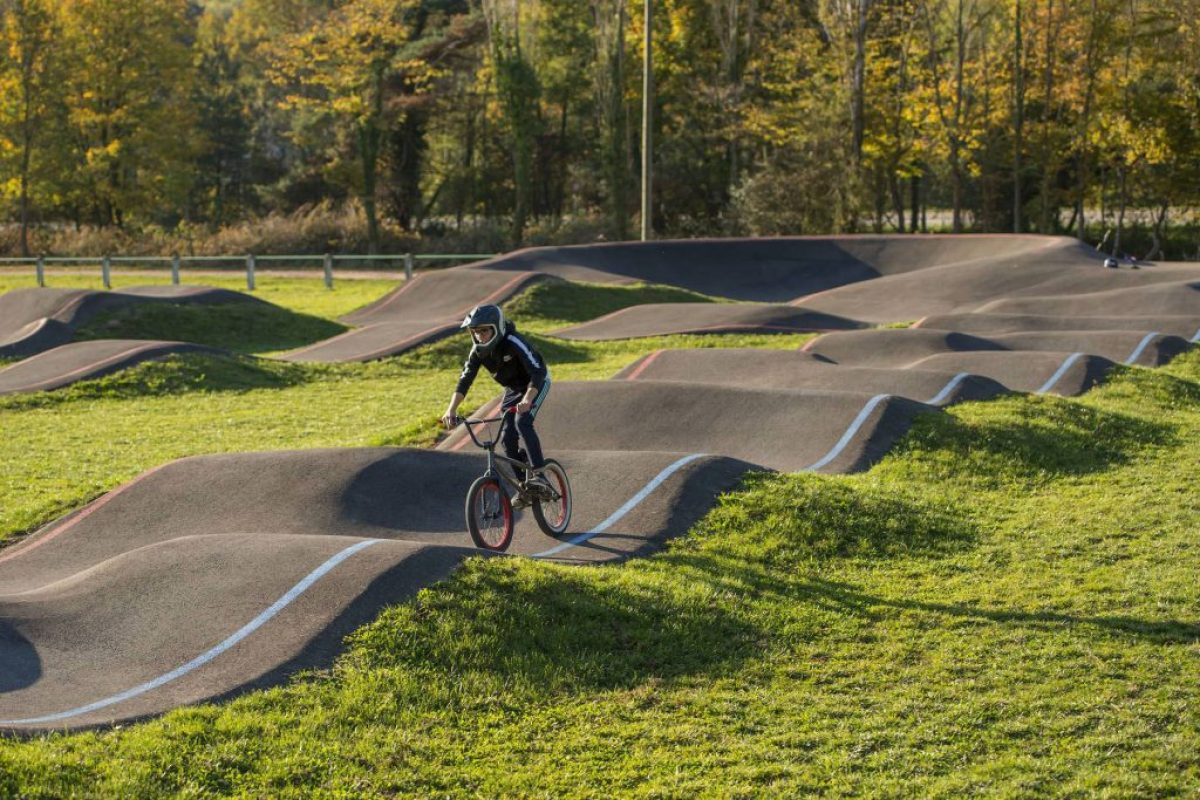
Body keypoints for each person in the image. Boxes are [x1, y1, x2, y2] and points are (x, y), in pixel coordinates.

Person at [441, 304, 552, 490]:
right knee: (507, 439)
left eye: (484, 331)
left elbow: (538, 372)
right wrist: (451, 409)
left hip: (536, 383)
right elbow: (465, 379)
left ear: (497, 327)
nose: (479, 336)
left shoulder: (513, 341)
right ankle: (525, 486)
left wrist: (528, 399)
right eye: (475, 331)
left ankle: (541, 475)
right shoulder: (477, 351)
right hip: (513, 390)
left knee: (522, 421)